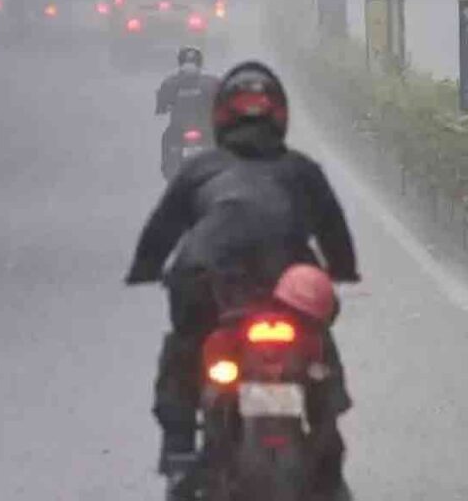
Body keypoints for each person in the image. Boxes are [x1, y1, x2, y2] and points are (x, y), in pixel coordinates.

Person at [125, 61, 360, 501]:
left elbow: (160, 233)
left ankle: (178, 452)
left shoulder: (199, 170)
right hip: (290, 289)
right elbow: (335, 233)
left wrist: (144, 269)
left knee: (184, 352)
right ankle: (328, 460)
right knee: (319, 353)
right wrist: (343, 270)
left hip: (209, 286)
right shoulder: (303, 170)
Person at [156, 46, 219, 178]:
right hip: (205, 129)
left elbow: (161, 105)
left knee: (167, 139)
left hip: (178, 129)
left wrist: (161, 108)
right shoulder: (212, 82)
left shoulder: (170, 83)